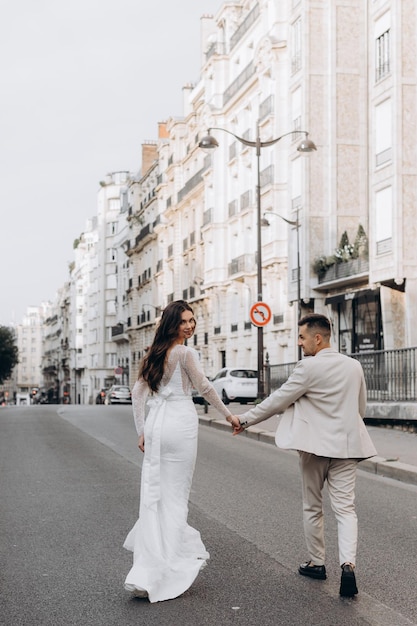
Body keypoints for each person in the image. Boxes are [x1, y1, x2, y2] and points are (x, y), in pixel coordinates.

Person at [232, 313, 377, 597]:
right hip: (348, 448)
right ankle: (348, 564)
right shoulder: (354, 366)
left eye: (302, 337)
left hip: (315, 449)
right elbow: (360, 408)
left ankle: (317, 563)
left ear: (318, 338)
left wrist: (244, 419)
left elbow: (276, 402)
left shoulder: (308, 368)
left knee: (313, 506)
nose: (299, 343)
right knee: (346, 509)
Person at [123, 300, 240, 603]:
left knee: (157, 496)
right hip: (181, 425)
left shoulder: (154, 354)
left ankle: (150, 564)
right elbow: (205, 387)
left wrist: (142, 430)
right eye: (184, 321)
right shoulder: (186, 353)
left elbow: (138, 394)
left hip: (158, 425)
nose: (189, 326)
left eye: (192, 320)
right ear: (172, 324)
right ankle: (169, 564)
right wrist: (228, 416)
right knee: (176, 496)